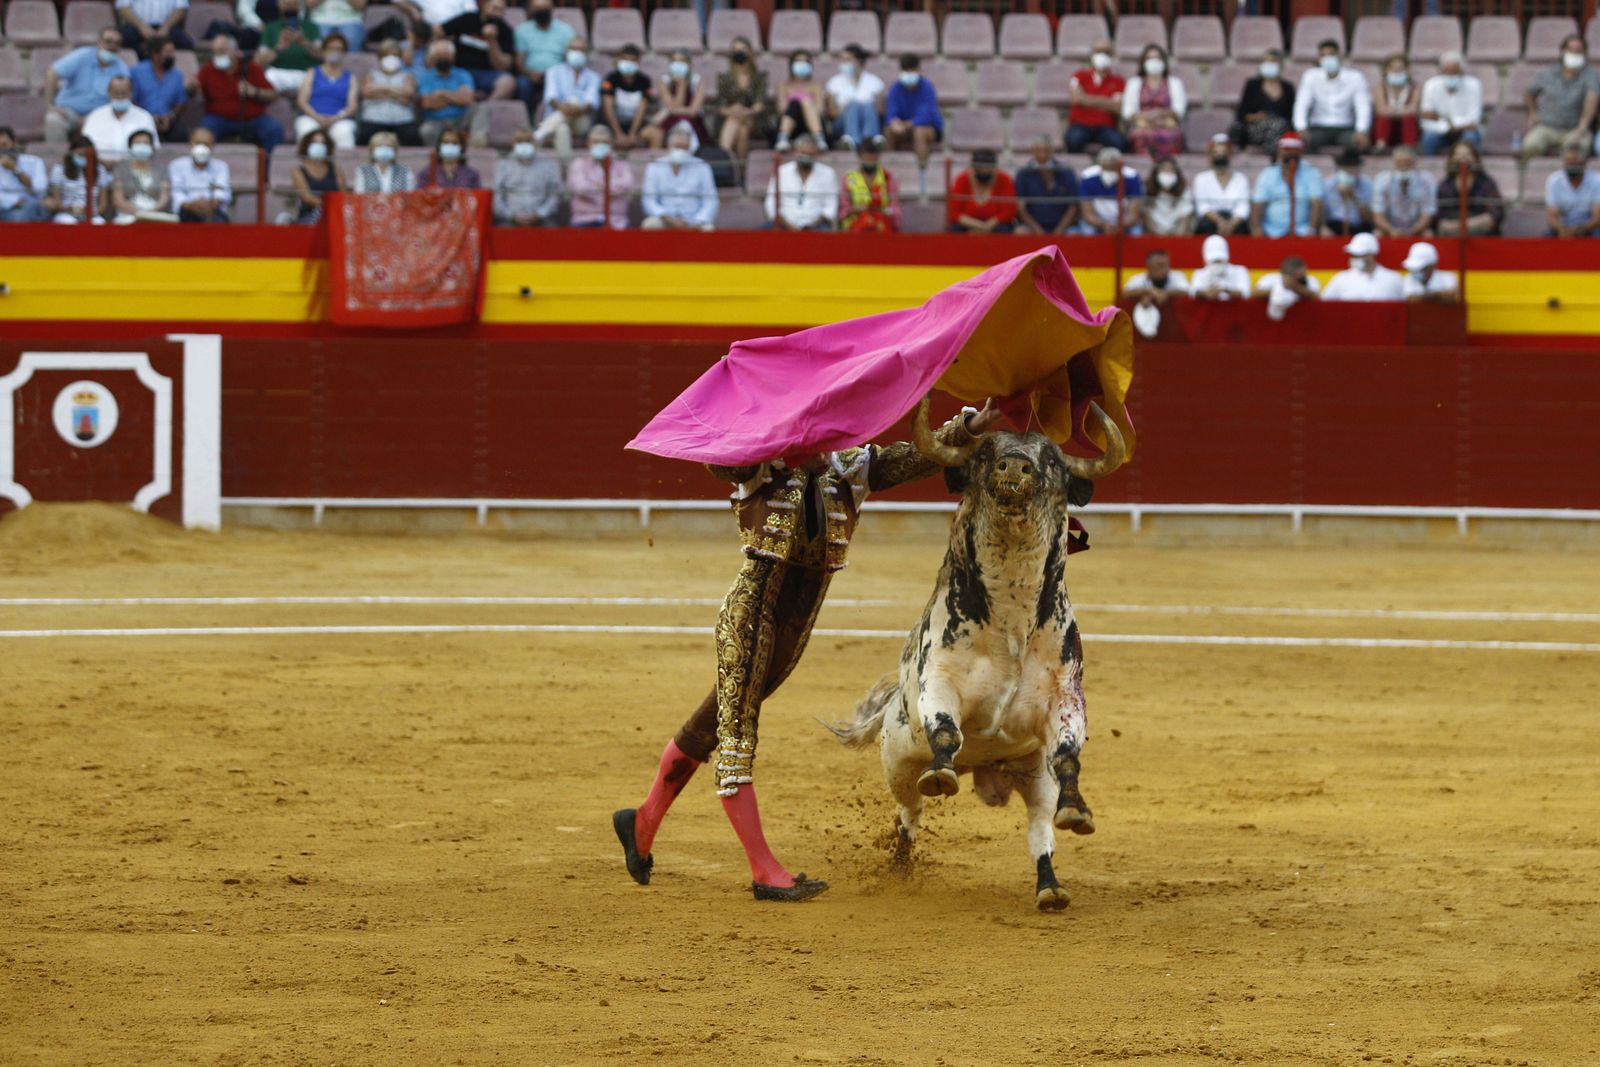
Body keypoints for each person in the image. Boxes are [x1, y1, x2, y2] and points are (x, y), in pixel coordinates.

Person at [612, 401, 1006, 902]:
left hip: (792, 626)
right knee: (735, 739)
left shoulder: (850, 467)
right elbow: (721, 460)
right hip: (750, 617)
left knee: (711, 723)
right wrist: (787, 444)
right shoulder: (762, 464)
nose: (829, 445)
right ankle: (764, 871)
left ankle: (641, 824)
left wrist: (973, 425)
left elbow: (918, 456)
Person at [197, 33, 285, 153]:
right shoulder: (208, 69)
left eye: (222, 51)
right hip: (219, 119)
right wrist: (191, 87)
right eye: (215, 52)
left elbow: (273, 94)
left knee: (274, 129)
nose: (218, 56)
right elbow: (194, 90)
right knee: (204, 132)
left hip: (253, 119)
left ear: (234, 51)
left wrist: (254, 92)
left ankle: (268, 168)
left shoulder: (250, 67)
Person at [44, 28, 133, 143]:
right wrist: (50, 105)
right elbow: (52, 73)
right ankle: (57, 159)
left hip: (101, 115)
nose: (112, 46)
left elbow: (121, 98)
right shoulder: (82, 56)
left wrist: (94, 117)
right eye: (108, 41)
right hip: (69, 111)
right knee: (53, 120)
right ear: (99, 42)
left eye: (116, 43)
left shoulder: (122, 70)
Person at [1521, 35, 1600, 161]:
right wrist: (1532, 113)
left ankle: (1566, 180)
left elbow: (1592, 99)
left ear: (1585, 53)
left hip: (1574, 129)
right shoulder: (1548, 72)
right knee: (1530, 145)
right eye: (1570, 50)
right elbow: (1529, 93)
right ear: (1563, 51)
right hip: (1545, 126)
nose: (1574, 54)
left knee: (1578, 150)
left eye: (1578, 51)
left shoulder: (1591, 75)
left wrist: (1582, 128)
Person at [1293, 39, 1372, 153]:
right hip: (1318, 126)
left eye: (1331, 54)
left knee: (1358, 145)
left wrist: (1361, 130)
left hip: (1345, 127)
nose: (1327, 58)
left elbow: (1363, 106)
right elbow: (1301, 104)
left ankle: (1347, 171)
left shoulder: (1355, 77)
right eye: (1323, 55)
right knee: (1302, 144)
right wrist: (1300, 128)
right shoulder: (1310, 76)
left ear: (1339, 56)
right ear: (1319, 59)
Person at [535, 36, 600, 158]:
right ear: (567, 51)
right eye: (574, 49)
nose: (577, 53)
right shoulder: (553, 71)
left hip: (581, 122)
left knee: (574, 101)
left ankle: (541, 133)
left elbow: (591, 103)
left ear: (587, 53)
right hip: (558, 119)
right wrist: (564, 108)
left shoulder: (593, 77)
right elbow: (551, 98)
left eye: (581, 50)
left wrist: (576, 109)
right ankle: (565, 168)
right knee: (562, 129)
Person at [641, 127, 717, 230]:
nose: (681, 150)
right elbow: (649, 200)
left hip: (693, 220)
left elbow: (711, 201)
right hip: (665, 219)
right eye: (677, 146)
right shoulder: (655, 166)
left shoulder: (702, 167)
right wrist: (667, 218)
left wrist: (697, 221)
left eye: (684, 147)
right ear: (668, 146)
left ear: (690, 148)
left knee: (709, 229)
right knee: (651, 224)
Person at [444, 0, 516, 106]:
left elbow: (503, 66)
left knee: (508, 82)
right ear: (484, 6)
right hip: (459, 71)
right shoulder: (467, 19)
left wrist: (492, 40)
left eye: (501, 10)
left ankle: (483, 108)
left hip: (486, 74)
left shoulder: (505, 30)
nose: (497, 13)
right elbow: (439, 31)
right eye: (495, 8)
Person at [1251, 133, 1323, 238]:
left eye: (1294, 150)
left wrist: (1311, 230)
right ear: (1279, 151)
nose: (1290, 154)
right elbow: (1257, 205)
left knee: (1326, 235)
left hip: (1303, 230)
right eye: (1287, 150)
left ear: (1301, 152)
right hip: (1271, 231)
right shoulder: (1267, 174)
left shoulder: (1311, 173)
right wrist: (1257, 231)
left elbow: (1316, 204)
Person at [294, 32, 358, 148]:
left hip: (339, 119)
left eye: (339, 49)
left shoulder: (351, 77)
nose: (335, 52)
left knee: (344, 132)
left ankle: (344, 166)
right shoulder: (312, 72)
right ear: (324, 51)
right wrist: (317, 117)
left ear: (344, 53)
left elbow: (352, 106)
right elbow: (302, 101)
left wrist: (335, 118)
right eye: (331, 48)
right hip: (312, 116)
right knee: (306, 130)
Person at [1121, 44, 1186, 158]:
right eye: (1149, 58)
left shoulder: (1175, 83)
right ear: (1143, 62)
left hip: (1167, 123)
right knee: (1139, 136)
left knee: (1175, 135)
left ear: (1164, 61)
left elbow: (1179, 110)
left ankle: (1169, 167)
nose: (1153, 61)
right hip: (1142, 124)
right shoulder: (1134, 83)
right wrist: (1146, 119)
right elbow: (1127, 111)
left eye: (1157, 58)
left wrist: (1160, 115)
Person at [1066, 37, 1127, 154]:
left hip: (1106, 127)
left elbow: (1118, 107)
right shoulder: (1079, 75)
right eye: (1099, 51)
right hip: (1080, 125)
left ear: (1112, 56)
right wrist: (1107, 102)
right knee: (1073, 140)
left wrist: (1086, 99)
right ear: (1091, 54)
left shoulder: (1118, 81)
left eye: (1106, 52)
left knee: (1119, 142)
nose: (1102, 55)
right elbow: (1076, 99)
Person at [764, 134, 837, 231]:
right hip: (783, 225)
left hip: (816, 227)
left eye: (810, 154)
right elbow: (771, 204)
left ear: (816, 154)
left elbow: (831, 207)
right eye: (803, 153)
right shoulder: (782, 172)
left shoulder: (828, 173)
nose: (806, 157)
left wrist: (811, 226)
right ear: (795, 152)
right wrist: (788, 226)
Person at [512, 0, 574, 112]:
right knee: (522, 84)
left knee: (565, 82)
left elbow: (570, 59)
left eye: (545, 8)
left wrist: (555, 74)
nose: (542, 11)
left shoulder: (565, 30)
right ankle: (526, 118)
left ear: (552, 9)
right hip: (530, 74)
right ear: (531, 10)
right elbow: (519, 61)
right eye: (538, 8)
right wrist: (529, 73)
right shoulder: (522, 30)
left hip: (557, 74)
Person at [567, 124, 633, 229]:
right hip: (585, 220)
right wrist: (610, 187)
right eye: (596, 142)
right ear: (588, 144)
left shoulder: (622, 165)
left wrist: (596, 184)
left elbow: (626, 185)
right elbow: (581, 188)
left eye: (605, 142)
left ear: (612, 144)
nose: (600, 145)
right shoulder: (578, 164)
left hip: (617, 221)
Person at [712, 37, 768, 163]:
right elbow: (720, 106)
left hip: (754, 119)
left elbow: (760, 103)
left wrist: (745, 111)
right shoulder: (724, 78)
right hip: (731, 117)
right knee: (742, 131)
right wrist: (733, 110)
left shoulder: (760, 77)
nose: (739, 53)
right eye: (736, 50)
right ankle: (741, 172)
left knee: (737, 121)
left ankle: (723, 160)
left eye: (742, 49)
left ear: (750, 52)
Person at [883, 54, 942, 169]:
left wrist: (907, 124)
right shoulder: (895, 88)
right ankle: (889, 170)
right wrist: (894, 122)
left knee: (919, 132)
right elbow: (891, 113)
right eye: (906, 70)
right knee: (889, 131)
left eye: (912, 70)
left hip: (928, 128)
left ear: (918, 70)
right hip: (904, 128)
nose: (909, 74)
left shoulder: (927, 87)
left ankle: (922, 171)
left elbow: (926, 116)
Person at [493, 128, 562, 225]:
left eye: (528, 141)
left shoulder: (548, 164)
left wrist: (539, 214)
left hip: (541, 218)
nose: (524, 144)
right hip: (510, 218)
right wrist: (512, 215)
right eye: (520, 141)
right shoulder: (503, 164)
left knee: (552, 228)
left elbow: (554, 195)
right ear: (513, 143)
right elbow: (497, 196)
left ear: (535, 143)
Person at [81, 76, 159, 162]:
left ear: (131, 93)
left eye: (124, 93)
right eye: (116, 93)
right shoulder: (95, 116)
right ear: (109, 93)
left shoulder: (144, 117)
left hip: (134, 169)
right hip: (100, 169)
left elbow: (154, 148)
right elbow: (84, 146)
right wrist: (102, 162)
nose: (120, 97)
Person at [1418, 53, 1482, 157]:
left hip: (1464, 131)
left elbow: (1474, 119)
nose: (1450, 75)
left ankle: (1469, 169)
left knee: (1471, 137)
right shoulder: (1431, 85)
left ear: (1461, 71)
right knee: (1429, 137)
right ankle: (1429, 167)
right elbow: (1426, 116)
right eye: (1447, 71)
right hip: (1438, 129)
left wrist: (1452, 124)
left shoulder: (1473, 85)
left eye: (1454, 71)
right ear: (1440, 71)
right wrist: (1448, 126)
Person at [1230, 48, 1295, 150]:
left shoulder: (1288, 88)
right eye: (1265, 61)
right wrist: (1258, 117)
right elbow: (1241, 114)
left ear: (1280, 65)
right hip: (1256, 127)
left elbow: (1291, 116)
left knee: (1278, 127)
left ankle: (1274, 157)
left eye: (1272, 61)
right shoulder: (1252, 85)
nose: (1268, 64)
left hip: (1279, 128)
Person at [358, 40, 420, 146]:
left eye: (395, 55)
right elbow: (366, 92)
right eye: (387, 55)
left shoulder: (407, 76)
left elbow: (408, 94)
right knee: (365, 135)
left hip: (402, 120)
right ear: (380, 57)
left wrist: (380, 91)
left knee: (412, 136)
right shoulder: (371, 75)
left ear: (400, 57)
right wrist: (396, 93)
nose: (391, 58)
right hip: (373, 119)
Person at [1435, 140, 1503, 237]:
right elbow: (1439, 219)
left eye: (1468, 154)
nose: (1463, 158)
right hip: (1452, 236)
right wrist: (1458, 227)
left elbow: (1495, 215)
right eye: (1458, 154)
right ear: (1451, 159)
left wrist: (1465, 225)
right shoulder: (1445, 185)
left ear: (1476, 159)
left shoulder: (1487, 183)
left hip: (1482, 235)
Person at [130, 36, 191, 143]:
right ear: (155, 54)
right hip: (141, 118)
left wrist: (170, 116)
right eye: (168, 52)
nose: (172, 56)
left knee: (181, 134)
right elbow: (131, 99)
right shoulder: (137, 72)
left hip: (168, 119)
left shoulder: (177, 75)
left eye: (172, 52)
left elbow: (181, 102)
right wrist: (148, 118)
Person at [418, 40, 478, 146]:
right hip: (436, 121)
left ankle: (477, 144)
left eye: (446, 55)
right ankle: (437, 157)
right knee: (426, 130)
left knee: (481, 107)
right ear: (433, 57)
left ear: (453, 57)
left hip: (461, 119)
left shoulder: (463, 74)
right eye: (439, 55)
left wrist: (442, 94)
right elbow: (427, 103)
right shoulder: (426, 77)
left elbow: (467, 100)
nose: (443, 59)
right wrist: (456, 97)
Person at [1015, 135, 1078, 236]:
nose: (1042, 154)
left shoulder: (1066, 172)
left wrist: (1059, 230)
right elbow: (1021, 208)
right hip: (1033, 227)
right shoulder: (1023, 173)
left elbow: (1073, 206)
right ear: (1032, 152)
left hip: (1063, 226)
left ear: (1052, 151)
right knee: (1020, 232)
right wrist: (1038, 230)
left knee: (1075, 234)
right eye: (1038, 150)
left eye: (1045, 150)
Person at [825, 43, 884, 150]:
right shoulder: (834, 82)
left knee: (868, 105)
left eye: (847, 60)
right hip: (841, 125)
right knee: (853, 105)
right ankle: (852, 140)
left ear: (858, 61)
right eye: (841, 60)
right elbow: (832, 113)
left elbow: (880, 111)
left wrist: (863, 109)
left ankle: (870, 139)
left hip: (867, 122)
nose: (843, 63)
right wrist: (848, 108)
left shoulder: (875, 82)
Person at [110, 128, 175, 222]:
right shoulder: (121, 169)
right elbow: (118, 199)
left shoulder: (161, 169)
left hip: (156, 214)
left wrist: (150, 212)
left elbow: (164, 197)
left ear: (152, 147)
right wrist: (138, 212)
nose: (141, 146)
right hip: (127, 214)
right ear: (130, 147)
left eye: (145, 143)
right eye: (137, 143)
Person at [648, 49, 708, 150]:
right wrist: (681, 86)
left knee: (685, 123)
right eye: (675, 61)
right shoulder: (663, 81)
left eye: (682, 61)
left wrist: (668, 111)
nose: (678, 64)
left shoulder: (698, 81)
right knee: (682, 123)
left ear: (689, 64)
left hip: (693, 122)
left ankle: (689, 151)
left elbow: (693, 111)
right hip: (669, 122)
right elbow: (673, 105)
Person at [1075, 145, 1142, 235]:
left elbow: (1133, 214)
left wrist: (1120, 225)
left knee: (1136, 232)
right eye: (1106, 168)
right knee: (1088, 231)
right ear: (1100, 164)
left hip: (1124, 221)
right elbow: (1087, 213)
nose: (1110, 171)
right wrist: (1103, 225)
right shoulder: (1088, 176)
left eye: (1113, 168)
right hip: (1097, 221)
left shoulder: (1132, 176)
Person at [600, 44, 655, 152]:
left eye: (632, 61)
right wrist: (618, 134)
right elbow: (608, 109)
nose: (628, 63)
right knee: (600, 136)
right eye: (625, 59)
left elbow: (642, 109)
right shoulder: (610, 79)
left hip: (636, 124)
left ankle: (653, 166)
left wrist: (632, 134)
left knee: (655, 133)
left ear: (638, 62)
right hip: (613, 124)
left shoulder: (644, 81)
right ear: (618, 60)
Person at [838, 135, 898, 232]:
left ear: (878, 157)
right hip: (856, 224)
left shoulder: (888, 177)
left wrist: (884, 211)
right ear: (860, 157)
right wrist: (854, 209)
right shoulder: (849, 178)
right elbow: (843, 210)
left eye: (872, 159)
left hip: (881, 224)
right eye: (867, 159)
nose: (870, 161)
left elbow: (894, 208)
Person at [1372, 144, 1435, 237]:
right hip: (1389, 228)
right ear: (1394, 161)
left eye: (1407, 162)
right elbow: (1378, 212)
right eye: (1400, 162)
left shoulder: (1427, 179)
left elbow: (1428, 212)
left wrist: (1413, 231)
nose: (1404, 165)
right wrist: (1391, 230)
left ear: (1414, 161)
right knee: (1377, 234)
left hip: (1417, 229)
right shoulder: (1382, 179)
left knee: (1428, 235)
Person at [168, 127, 231, 220]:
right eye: (198, 143)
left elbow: (222, 192)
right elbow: (177, 192)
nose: (201, 148)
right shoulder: (176, 165)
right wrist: (190, 205)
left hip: (213, 211)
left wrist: (210, 205)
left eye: (206, 144)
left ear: (212, 146)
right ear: (190, 144)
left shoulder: (221, 166)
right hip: (186, 211)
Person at [45, 134, 111, 223]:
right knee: (66, 222)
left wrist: (90, 212)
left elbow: (103, 205)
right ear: (71, 153)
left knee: (99, 223)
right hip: (67, 213)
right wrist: (70, 209)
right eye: (80, 155)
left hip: (93, 214)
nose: (83, 158)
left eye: (86, 156)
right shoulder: (59, 170)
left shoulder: (100, 170)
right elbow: (57, 201)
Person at [947, 149, 1016, 234]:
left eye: (988, 168)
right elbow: (954, 212)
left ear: (994, 167)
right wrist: (979, 226)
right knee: (955, 229)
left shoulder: (1005, 180)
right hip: (968, 224)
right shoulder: (962, 179)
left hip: (995, 225)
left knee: (1003, 229)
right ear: (973, 167)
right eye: (980, 169)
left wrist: (987, 226)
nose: (984, 171)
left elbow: (1008, 212)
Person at [1192, 134, 1249, 236]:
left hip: (1235, 222)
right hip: (1210, 222)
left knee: (1243, 229)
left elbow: (1243, 207)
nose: (1220, 155)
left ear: (1230, 155)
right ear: (1210, 155)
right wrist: (1220, 222)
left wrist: (1231, 224)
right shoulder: (1201, 179)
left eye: (1224, 152)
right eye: (1216, 152)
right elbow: (1202, 207)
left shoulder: (1241, 179)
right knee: (1205, 226)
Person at [257, 10, 323, 95]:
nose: (290, 2)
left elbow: (321, 56)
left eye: (294, 2)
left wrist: (303, 42)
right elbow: (260, 61)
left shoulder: (311, 26)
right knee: (268, 77)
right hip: (278, 73)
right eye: (286, 2)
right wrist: (280, 47)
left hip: (306, 73)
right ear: (280, 4)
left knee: (319, 82)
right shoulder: (271, 27)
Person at [1323, 231, 1404, 300]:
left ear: (1372, 254)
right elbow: (1325, 305)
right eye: (1353, 255)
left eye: (1359, 254)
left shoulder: (1393, 279)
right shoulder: (1341, 279)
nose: (1355, 258)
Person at [774, 50, 827, 152]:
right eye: (798, 61)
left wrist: (804, 101)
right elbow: (781, 110)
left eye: (805, 61)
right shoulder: (783, 86)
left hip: (812, 126)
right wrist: (797, 98)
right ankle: (783, 139)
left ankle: (819, 139)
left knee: (805, 101)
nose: (802, 64)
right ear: (791, 65)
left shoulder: (816, 86)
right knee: (795, 103)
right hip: (791, 125)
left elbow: (821, 110)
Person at [288, 127, 344, 222]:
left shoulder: (335, 170)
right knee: (320, 213)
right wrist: (326, 205)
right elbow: (307, 198)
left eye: (322, 143)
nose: (318, 146)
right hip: (309, 215)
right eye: (314, 142)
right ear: (307, 146)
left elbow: (342, 194)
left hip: (334, 214)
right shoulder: (298, 171)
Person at [1544, 144, 1600, 236]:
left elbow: (1597, 217)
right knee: (1547, 237)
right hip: (1563, 226)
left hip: (1589, 227)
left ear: (1584, 163)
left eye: (1575, 162)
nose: (1571, 166)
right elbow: (1552, 216)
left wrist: (1579, 230)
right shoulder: (1554, 180)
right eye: (1568, 163)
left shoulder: (1597, 180)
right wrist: (1561, 229)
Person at [0, 126, 51, 221]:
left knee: (30, 209)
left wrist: (15, 169)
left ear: (14, 142)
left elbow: (40, 190)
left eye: (4, 145)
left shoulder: (34, 161)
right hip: (4, 207)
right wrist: (15, 202)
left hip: (30, 205)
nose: (2, 151)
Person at [1372, 54, 1419, 151]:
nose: (1397, 71)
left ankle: (1410, 147)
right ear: (1386, 70)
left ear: (1407, 70)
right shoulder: (1380, 86)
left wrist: (1393, 111)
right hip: (1387, 127)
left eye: (1400, 68)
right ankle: (1381, 146)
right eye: (1393, 68)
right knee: (1383, 118)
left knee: (1408, 118)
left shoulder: (1415, 87)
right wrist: (1400, 111)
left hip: (1405, 127)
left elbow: (1414, 109)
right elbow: (1380, 110)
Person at [1322, 146, 1372, 236]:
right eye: (1346, 168)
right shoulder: (1329, 184)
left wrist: (1354, 196)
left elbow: (1369, 218)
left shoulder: (1366, 184)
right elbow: (1324, 213)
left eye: (1353, 167)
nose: (1349, 172)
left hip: (1360, 226)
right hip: (1335, 224)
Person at [115, 0, 194, 55]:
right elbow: (123, 8)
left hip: (167, 26)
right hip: (136, 25)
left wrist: (165, 28)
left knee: (185, 44)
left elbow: (181, 8)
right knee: (122, 41)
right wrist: (141, 26)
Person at [1255, 255, 1320, 320]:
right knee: (1279, 288)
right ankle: (1279, 302)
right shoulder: (1270, 278)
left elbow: (1315, 296)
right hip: (1270, 316)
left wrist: (1294, 287)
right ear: (1283, 271)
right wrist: (1278, 290)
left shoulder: (1311, 280)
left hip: (1302, 317)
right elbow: (1256, 293)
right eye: (1291, 272)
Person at [1190, 234, 1251, 300]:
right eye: (1214, 261)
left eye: (1220, 260)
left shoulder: (1239, 271)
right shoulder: (1199, 274)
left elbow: (1245, 292)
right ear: (1205, 261)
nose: (1217, 264)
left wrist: (1225, 290)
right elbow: (1193, 292)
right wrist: (1205, 293)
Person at [1143, 155, 1193, 236]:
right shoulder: (1147, 190)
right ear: (1156, 172)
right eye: (1163, 169)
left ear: (1177, 173)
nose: (1167, 172)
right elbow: (1147, 220)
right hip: (1153, 236)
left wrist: (1175, 239)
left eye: (1171, 170)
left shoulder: (1184, 191)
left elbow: (1184, 221)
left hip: (1177, 236)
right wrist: (1160, 237)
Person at [1120, 247, 1189, 305]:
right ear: (1149, 266)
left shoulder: (1177, 276)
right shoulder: (1137, 278)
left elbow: (1186, 291)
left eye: (1167, 265)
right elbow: (1125, 293)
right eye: (1160, 265)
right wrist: (1150, 291)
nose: (1165, 269)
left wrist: (1163, 293)